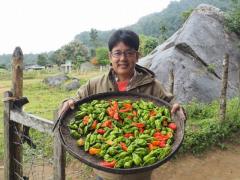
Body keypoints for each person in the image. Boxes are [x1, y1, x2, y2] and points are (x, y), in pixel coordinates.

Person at [58, 29, 186, 180]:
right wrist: (67, 102)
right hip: (104, 173)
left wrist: (179, 109)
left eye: (129, 53)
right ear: (110, 56)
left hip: (139, 174)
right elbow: (74, 101)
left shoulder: (152, 85)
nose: (123, 58)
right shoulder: (94, 84)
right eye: (117, 53)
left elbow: (171, 105)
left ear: (137, 56)